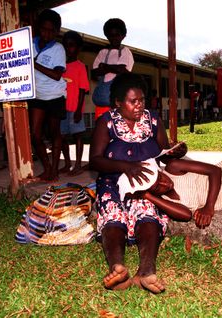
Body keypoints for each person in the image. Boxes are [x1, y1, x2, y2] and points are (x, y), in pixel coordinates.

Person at [89, 72, 187, 294]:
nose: (139, 105)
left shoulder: (152, 120)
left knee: (148, 213)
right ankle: (118, 267)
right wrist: (125, 166)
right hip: (112, 182)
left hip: (144, 184)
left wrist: (175, 151)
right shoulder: (106, 123)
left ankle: (146, 270)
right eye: (133, 101)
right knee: (113, 215)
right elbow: (94, 161)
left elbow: (164, 153)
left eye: (141, 100)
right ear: (118, 102)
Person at [29, 9, 67, 182]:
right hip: (37, 95)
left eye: (51, 30)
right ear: (39, 28)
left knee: (54, 133)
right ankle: (48, 169)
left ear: (57, 31)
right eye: (44, 29)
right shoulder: (30, 43)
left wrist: (34, 64)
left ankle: (55, 172)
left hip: (55, 95)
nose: (47, 34)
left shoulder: (58, 48)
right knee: (35, 134)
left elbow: (57, 75)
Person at [59, 30, 90, 176]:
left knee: (78, 136)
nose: (67, 49)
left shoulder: (80, 66)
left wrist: (79, 110)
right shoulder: (60, 66)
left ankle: (77, 165)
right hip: (61, 108)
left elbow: (83, 90)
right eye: (65, 46)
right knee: (61, 136)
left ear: (78, 48)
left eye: (71, 46)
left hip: (74, 108)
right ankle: (67, 164)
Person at [91, 18, 134, 120]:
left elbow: (122, 71)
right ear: (107, 35)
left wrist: (105, 67)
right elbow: (94, 73)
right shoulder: (103, 52)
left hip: (118, 104)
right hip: (101, 103)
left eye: (117, 35)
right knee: (102, 129)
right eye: (111, 35)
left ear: (123, 35)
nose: (114, 38)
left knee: (117, 130)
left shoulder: (125, 51)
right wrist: (115, 68)